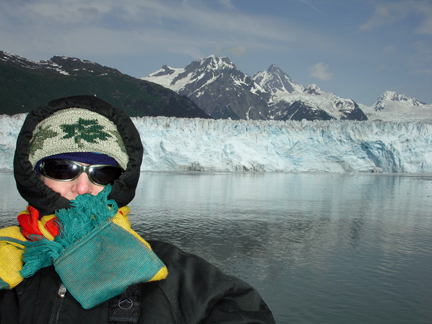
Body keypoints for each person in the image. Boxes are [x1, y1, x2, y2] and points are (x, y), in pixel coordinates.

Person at [0, 95, 275, 324]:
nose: (82, 187)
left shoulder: (170, 273)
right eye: (63, 169)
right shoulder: (6, 260)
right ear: (35, 175)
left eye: (103, 174)